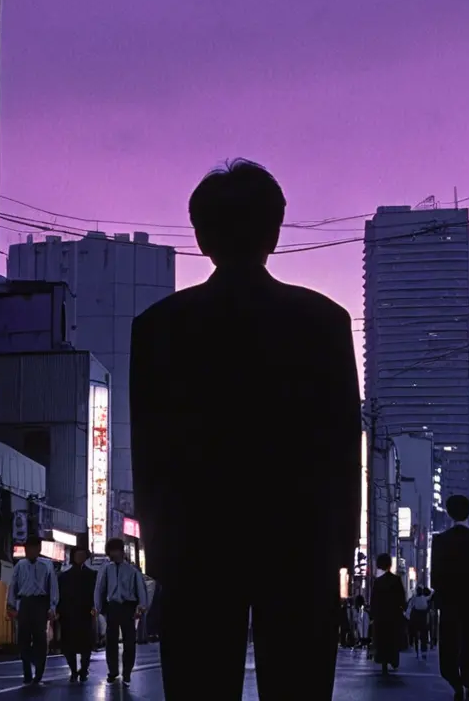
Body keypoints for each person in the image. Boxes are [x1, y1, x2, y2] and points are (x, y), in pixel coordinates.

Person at [130, 160, 361, 699]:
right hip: (300, 543)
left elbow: (151, 450)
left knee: (199, 682)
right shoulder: (323, 321)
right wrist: (338, 548)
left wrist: (160, 551)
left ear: (201, 236)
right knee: (299, 684)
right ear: (275, 232)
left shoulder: (161, 327)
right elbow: (341, 443)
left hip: (197, 544)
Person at [431, 495, 469, 701]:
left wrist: (439, 595)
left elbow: (436, 575)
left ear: (449, 513)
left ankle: (453, 679)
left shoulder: (440, 541)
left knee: (449, 640)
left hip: (448, 601)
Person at [94, 537, 148, 686]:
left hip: (128, 607)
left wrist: (141, 606)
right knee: (110, 641)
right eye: (111, 551)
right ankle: (112, 671)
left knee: (129, 642)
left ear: (121, 551)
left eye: (116, 550)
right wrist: (98, 607)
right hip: (112, 606)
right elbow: (100, 588)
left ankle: (127, 672)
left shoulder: (132, 569)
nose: (114, 554)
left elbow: (140, 589)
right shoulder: (106, 569)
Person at [7, 538, 58, 684]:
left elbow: (53, 587)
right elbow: (13, 585)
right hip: (25, 602)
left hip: (40, 603)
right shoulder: (20, 565)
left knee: (39, 639)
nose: (31, 552)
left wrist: (52, 607)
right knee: (23, 639)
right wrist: (10, 606)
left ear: (39, 549)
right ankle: (27, 671)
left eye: (34, 548)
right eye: (28, 549)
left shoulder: (47, 565)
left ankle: (39, 671)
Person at [59, 545, 97, 682]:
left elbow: (95, 595)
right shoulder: (64, 576)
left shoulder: (92, 575)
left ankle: (84, 669)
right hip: (68, 614)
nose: (79, 557)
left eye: (82, 555)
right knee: (69, 645)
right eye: (77, 555)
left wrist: (94, 608)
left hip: (85, 613)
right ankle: (73, 670)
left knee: (86, 645)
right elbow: (60, 595)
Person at [369, 554, 406, 674]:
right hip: (393, 615)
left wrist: (373, 613)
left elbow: (373, 599)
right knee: (393, 638)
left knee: (382, 639)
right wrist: (402, 608)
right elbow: (401, 597)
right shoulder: (396, 580)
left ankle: (384, 662)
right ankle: (393, 659)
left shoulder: (378, 582)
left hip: (381, 615)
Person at [408, 586, 431, 658]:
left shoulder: (414, 598)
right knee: (423, 635)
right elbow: (429, 597)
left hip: (416, 618)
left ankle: (417, 651)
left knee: (416, 635)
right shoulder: (424, 598)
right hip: (423, 618)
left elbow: (410, 606)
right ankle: (423, 650)